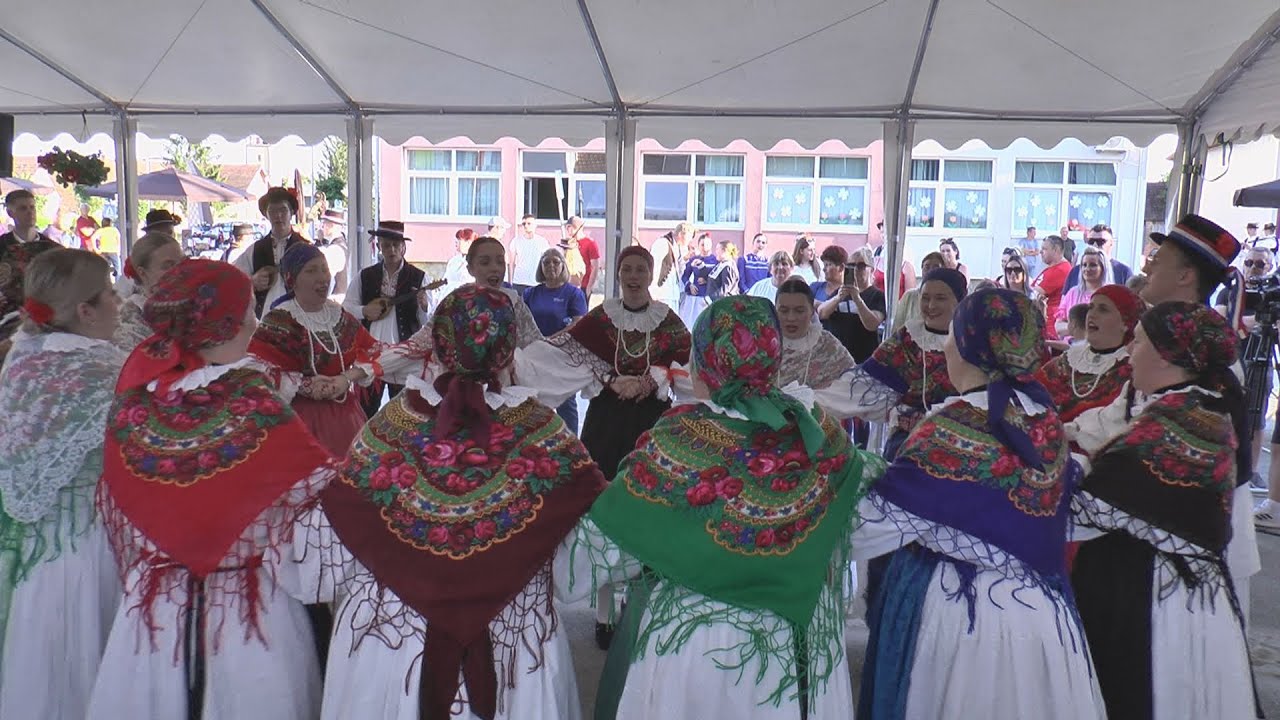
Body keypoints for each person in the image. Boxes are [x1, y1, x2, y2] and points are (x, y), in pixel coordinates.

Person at [568, 295, 883, 719]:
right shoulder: (819, 436)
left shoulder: (676, 442)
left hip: (695, 640)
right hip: (795, 645)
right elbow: (873, 516)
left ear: (705, 363)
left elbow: (595, 554)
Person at [302, 285, 604, 720]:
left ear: (438, 343)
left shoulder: (387, 427)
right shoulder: (545, 434)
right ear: (509, 350)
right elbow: (587, 561)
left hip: (393, 643)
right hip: (515, 643)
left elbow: (326, 550)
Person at [89, 259, 333, 720]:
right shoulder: (251, 398)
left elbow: (122, 509)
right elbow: (311, 500)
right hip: (247, 612)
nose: (255, 322)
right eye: (248, 310)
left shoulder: (135, 400)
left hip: (156, 612)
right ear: (227, 321)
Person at [854, 288, 1102, 719]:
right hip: (1041, 613)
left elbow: (868, 524)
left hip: (961, 614)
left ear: (971, 345)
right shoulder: (1042, 419)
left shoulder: (951, 427)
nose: (946, 346)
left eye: (952, 334)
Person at [1071, 302, 1254, 720]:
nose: (1129, 353)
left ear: (1167, 356)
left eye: (1137, 342)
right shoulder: (1194, 410)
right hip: (1175, 594)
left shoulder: (1178, 426)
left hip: (1156, 601)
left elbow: (1088, 507)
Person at [1081, 213, 1261, 630]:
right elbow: (1117, 419)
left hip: (1183, 550)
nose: (1146, 265)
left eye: (1157, 259)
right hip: (1147, 535)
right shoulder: (1163, 341)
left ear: (1185, 276)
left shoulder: (1209, 363)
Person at [512, 246, 690, 648]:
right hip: (607, 421)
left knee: (646, 512)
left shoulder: (668, 320)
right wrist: (610, 379)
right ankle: (604, 614)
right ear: (618, 274)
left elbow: (687, 361)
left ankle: (635, 605)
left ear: (651, 275)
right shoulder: (602, 317)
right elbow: (566, 350)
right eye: (627, 269)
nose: (633, 276)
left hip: (651, 424)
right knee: (604, 514)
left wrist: (650, 380)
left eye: (640, 269)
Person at [0, 249, 123, 720]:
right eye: (109, 293)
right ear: (85, 311)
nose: (118, 300)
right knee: (83, 658)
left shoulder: (25, 354)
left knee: (43, 660)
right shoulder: (101, 369)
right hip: (90, 539)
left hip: (35, 544)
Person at [250, 243, 376, 456]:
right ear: (292, 280)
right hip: (301, 422)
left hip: (347, 419)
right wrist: (304, 385)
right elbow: (255, 369)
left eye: (324, 269)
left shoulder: (338, 314)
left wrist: (347, 378)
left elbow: (374, 351)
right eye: (311, 271)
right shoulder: (281, 319)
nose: (322, 278)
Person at [374, 236, 545, 390]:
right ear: (470, 269)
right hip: (457, 390)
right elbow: (423, 340)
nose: (495, 268)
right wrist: (371, 364)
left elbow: (537, 346)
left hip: (502, 389)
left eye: (500, 262)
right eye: (485, 262)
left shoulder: (513, 301)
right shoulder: (457, 300)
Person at [342, 221, 432, 416]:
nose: (391, 250)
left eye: (396, 245)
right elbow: (347, 307)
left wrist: (424, 306)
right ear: (379, 246)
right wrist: (364, 311)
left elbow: (427, 322)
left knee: (403, 412)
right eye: (386, 245)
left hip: (403, 356)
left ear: (404, 247)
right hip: (370, 352)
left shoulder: (419, 277)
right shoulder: (365, 276)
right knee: (365, 411)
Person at [1036, 284, 1141, 425]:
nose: (1091, 314)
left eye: (1103, 310)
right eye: (1091, 307)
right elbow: (1033, 391)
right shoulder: (1069, 359)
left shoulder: (1131, 369)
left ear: (1125, 322)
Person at [1217, 246, 1274, 484]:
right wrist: (1254, 321)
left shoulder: (1272, 296)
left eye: (1260, 264)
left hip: (1262, 360)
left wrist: (1240, 321)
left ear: (1270, 267)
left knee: (1256, 418)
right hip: (1231, 360)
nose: (1253, 268)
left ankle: (1252, 470)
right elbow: (1221, 320)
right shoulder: (1230, 291)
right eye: (1249, 262)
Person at [524, 247, 588, 432]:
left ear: (563, 265)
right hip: (535, 354)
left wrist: (550, 340)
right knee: (534, 401)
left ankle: (572, 442)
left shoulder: (574, 294)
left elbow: (578, 324)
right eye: (546, 262)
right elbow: (521, 320)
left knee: (565, 402)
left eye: (555, 262)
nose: (551, 265)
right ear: (540, 267)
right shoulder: (530, 293)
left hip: (562, 355)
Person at [0, 190, 60, 353]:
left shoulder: (53, 249)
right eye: (23, 208)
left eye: (32, 207)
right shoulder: (2, 247)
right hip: (7, 319)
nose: (30, 212)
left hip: (46, 319)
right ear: (10, 213)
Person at [775, 277, 855, 397]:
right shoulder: (762, 345)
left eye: (799, 311)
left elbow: (852, 382)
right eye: (784, 311)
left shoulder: (827, 345)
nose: (791, 318)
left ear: (812, 311)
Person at [234, 186, 306, 317]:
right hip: (264, 321)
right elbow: (234, 280)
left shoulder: (305, 249)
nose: (278, 216)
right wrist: (252, 282)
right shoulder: (254, 250)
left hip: (300, 319)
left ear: (291, 212)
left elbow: (322, 283)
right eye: (272, 211)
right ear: (266, 214)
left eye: (283, 210)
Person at [813, 246, 886, 364]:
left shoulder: (877, 295)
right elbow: (822, 313)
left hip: (863, 359)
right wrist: (838, 298)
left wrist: (857, 298)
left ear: (871, 269)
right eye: (851, 266)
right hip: (837, 359)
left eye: (861, 266)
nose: (856, 270)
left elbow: (872, 324)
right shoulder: (840, 292)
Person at [113, 232, 184, 351]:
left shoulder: (190, 305)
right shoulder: (131, 317)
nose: (179, 270)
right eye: (167, 266)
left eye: (182, 263)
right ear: (143, 273)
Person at [1054, 246, 1111, 337]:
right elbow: (1058, 326)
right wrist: (1083, 330)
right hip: (1070, 345)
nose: (1087, 269)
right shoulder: (1072, 293)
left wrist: (1074, 329)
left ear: (1103, 268)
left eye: (1093, 265)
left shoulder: (1110, 295)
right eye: (1084, 265)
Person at [1064, 224, 1133, 291]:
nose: (1095, 245)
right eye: (1091, 241)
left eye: (1100, 241)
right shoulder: (1076, 271)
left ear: (1111, 243)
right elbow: (1065, 297)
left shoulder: (1123, 272)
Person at [891, 251, 944, 333]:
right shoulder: (910, 296)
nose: (930, 271)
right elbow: (897, 326)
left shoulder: (947, 298)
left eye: (936, 267)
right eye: (927, 267)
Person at [1032, 234, 1072, 339]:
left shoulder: (1061, 270)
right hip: (1044, 325)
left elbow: (1033, 294)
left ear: (1056, 250)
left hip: (1050, 329)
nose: (1041, 252)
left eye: (1045, 249)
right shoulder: (1052, 268)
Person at [678, 232, 717, 328]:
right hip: (693, 298)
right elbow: (684, 276)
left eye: (707, 244)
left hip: (707, 298)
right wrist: (689, 285)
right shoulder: (694, 260)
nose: (704, 247)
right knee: (690, 325)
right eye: (702, 244)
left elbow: (719, 279)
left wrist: (708, 281)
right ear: (698, 246)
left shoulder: (715, 260)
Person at [650, 222, 692, 307]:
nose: (690, 240)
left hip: (672, 295)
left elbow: (676, 272)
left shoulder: (676, 248)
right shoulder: (662, 243)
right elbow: (654, 267)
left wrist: (683, 260)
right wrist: (652, 293)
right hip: (662, 295)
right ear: (680, 234)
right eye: (689, 236)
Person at [509, 213, 550, 293]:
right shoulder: (516, 241)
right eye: (524, 224)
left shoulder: (542, 242)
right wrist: (511, 282)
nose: (526, 226)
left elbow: (546, 262)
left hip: (536, 282)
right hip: (519, 281)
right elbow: (511, 263)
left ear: (535, 225)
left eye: (529, 223)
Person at [565, 215, 600, 295]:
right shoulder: (569, 243)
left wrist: (589, 287)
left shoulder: (590, 243)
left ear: (577, 227)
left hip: (584, 285)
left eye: (569, 227)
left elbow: (595, 267)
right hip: (570, 284)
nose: (568, 231)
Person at [317, 209, 348, 295]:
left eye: (324, 223)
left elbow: (326, 279)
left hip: (335, 299)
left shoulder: (335, 249)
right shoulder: (342, 244)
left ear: (332, 226)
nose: (322, 227)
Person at [441, 227, 477, 296]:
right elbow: (445, 279)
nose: (456, 243)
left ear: (468, 242)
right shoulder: (453, 260)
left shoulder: (476, 261)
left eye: (459, 240)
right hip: (448, 295)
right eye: (456, 240)